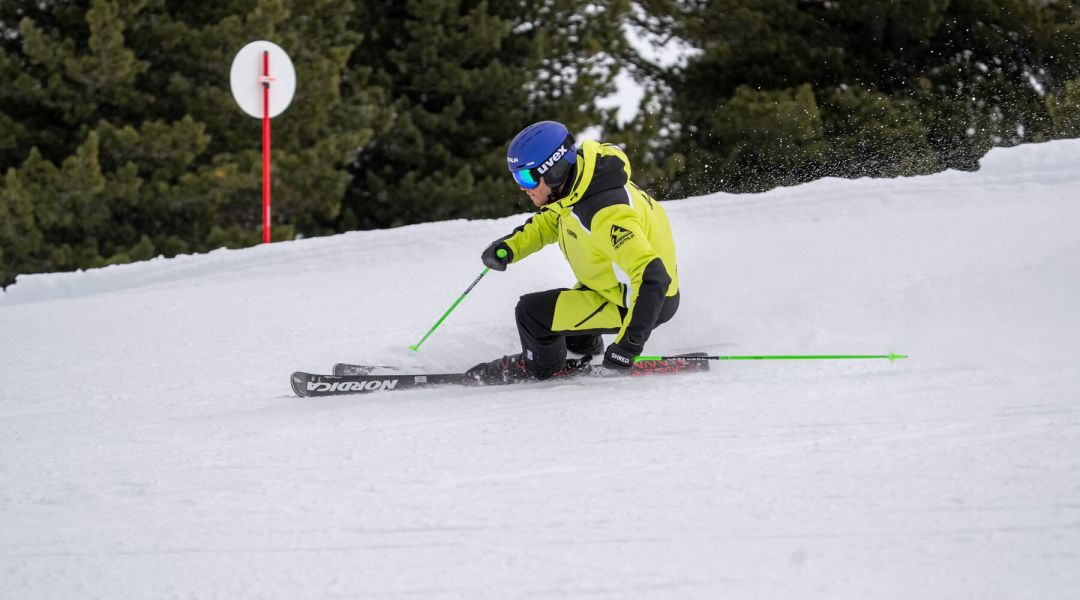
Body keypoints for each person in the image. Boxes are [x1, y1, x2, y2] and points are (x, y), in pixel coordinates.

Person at [466, 120, 680, 384]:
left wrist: (627, 348)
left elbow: (652, 278)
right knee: (566, 307)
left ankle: (542, 368)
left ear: (554, 168)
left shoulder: (605, 213)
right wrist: (510, 247)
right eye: (516, 177)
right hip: (608, 286)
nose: (522, 186)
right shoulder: (578, 183)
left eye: (526, 177)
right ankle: (583, 349)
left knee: (532, 314)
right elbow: (551, 220)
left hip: (642, 300)